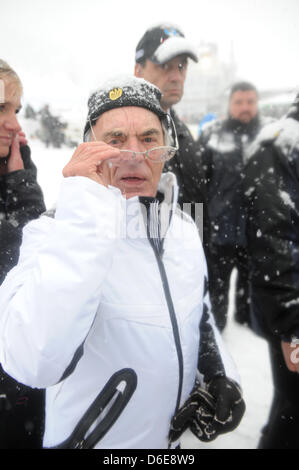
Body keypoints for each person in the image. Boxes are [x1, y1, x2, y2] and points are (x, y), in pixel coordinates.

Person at [0, 76, 245, 449]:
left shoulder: (182, 228)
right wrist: (85, 218)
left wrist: (219, 376)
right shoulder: (56, 233)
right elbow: (33, 360)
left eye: (148, 139)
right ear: (88, 150)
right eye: (115, 141)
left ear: (166, 146)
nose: (134, 154)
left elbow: (201, 314)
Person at [243, 92, 299, 449]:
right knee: (292, 414)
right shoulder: (282, 143)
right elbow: (271, 244)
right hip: (293, 312)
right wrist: (294, 326)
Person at [197, 81, 273, 331]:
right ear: (229, 104)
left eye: (250, 102)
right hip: (221, 230)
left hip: (257, 231)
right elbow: (199, 183)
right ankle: (217, 329)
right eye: (239, 102)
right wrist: (199, 227)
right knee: (217, 287)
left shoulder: (269, 136)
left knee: (251, 288)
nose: (245, 107)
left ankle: (247, 325)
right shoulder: (213, 135)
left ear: (257, 103)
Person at [0, 59, 46, 448]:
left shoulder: (13, 169)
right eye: (1, 108)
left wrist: (21, 184)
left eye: (15, 110)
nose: (14, 123)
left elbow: (37, 265)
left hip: (18, 390)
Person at [134, 23, 206, 233]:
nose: (176, 76)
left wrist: (202, 259)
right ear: (138, 70)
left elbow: (197, 212)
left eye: (182, 66)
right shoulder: (118, 135)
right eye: (165, 65)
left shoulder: (180, 130)